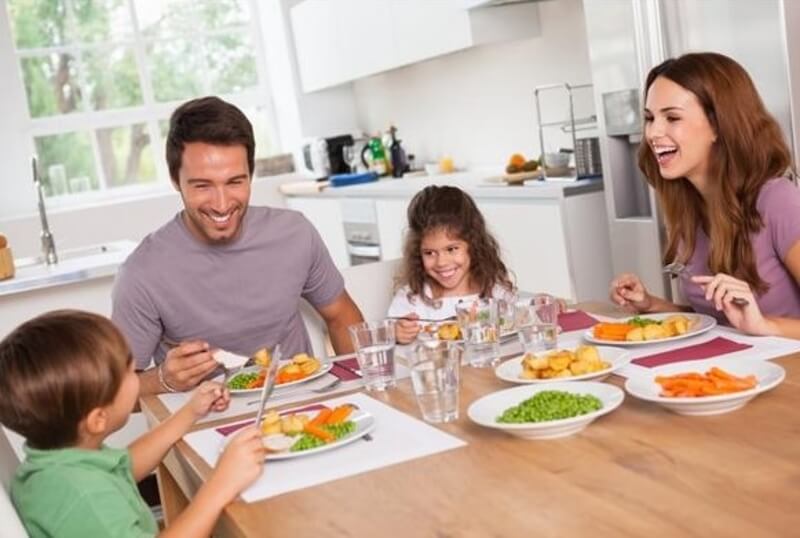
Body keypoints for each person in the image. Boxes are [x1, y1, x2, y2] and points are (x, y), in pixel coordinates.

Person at [112, 96, 363, 395]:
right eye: (202, 185)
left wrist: (363, 389)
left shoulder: (294, 233)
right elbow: (114, 395)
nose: (221, 204)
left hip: (302, 405)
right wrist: (164, 379)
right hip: (206, 418)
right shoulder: (142, 273)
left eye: (234, 182)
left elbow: (341, 316)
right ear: (175, 179)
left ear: (251, 174)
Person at [0, 310, 266, 537]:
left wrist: (190, 412)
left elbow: (125, 466)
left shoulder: (59, 463)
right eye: (129, 372)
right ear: (98, 420)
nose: (137, 378)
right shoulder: (84, 496)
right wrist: (221, 485)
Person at [610, 52, 800, 338]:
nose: (653, 132)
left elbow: (751, 324)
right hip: (731, 364)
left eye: (672, 117)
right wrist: (652, 306)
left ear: (718, 125)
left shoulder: (778, 201)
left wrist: (765, 325)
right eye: (650, 118)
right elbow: (719, 320)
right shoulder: (689, 207)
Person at [387, 185, 518, 344]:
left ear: (474, 245)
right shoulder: (411, 300)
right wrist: (396, 334)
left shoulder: (495, 292)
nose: (441, 262)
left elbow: (520, 324)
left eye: (451, 249)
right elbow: (388, 339)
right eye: (429, 253)